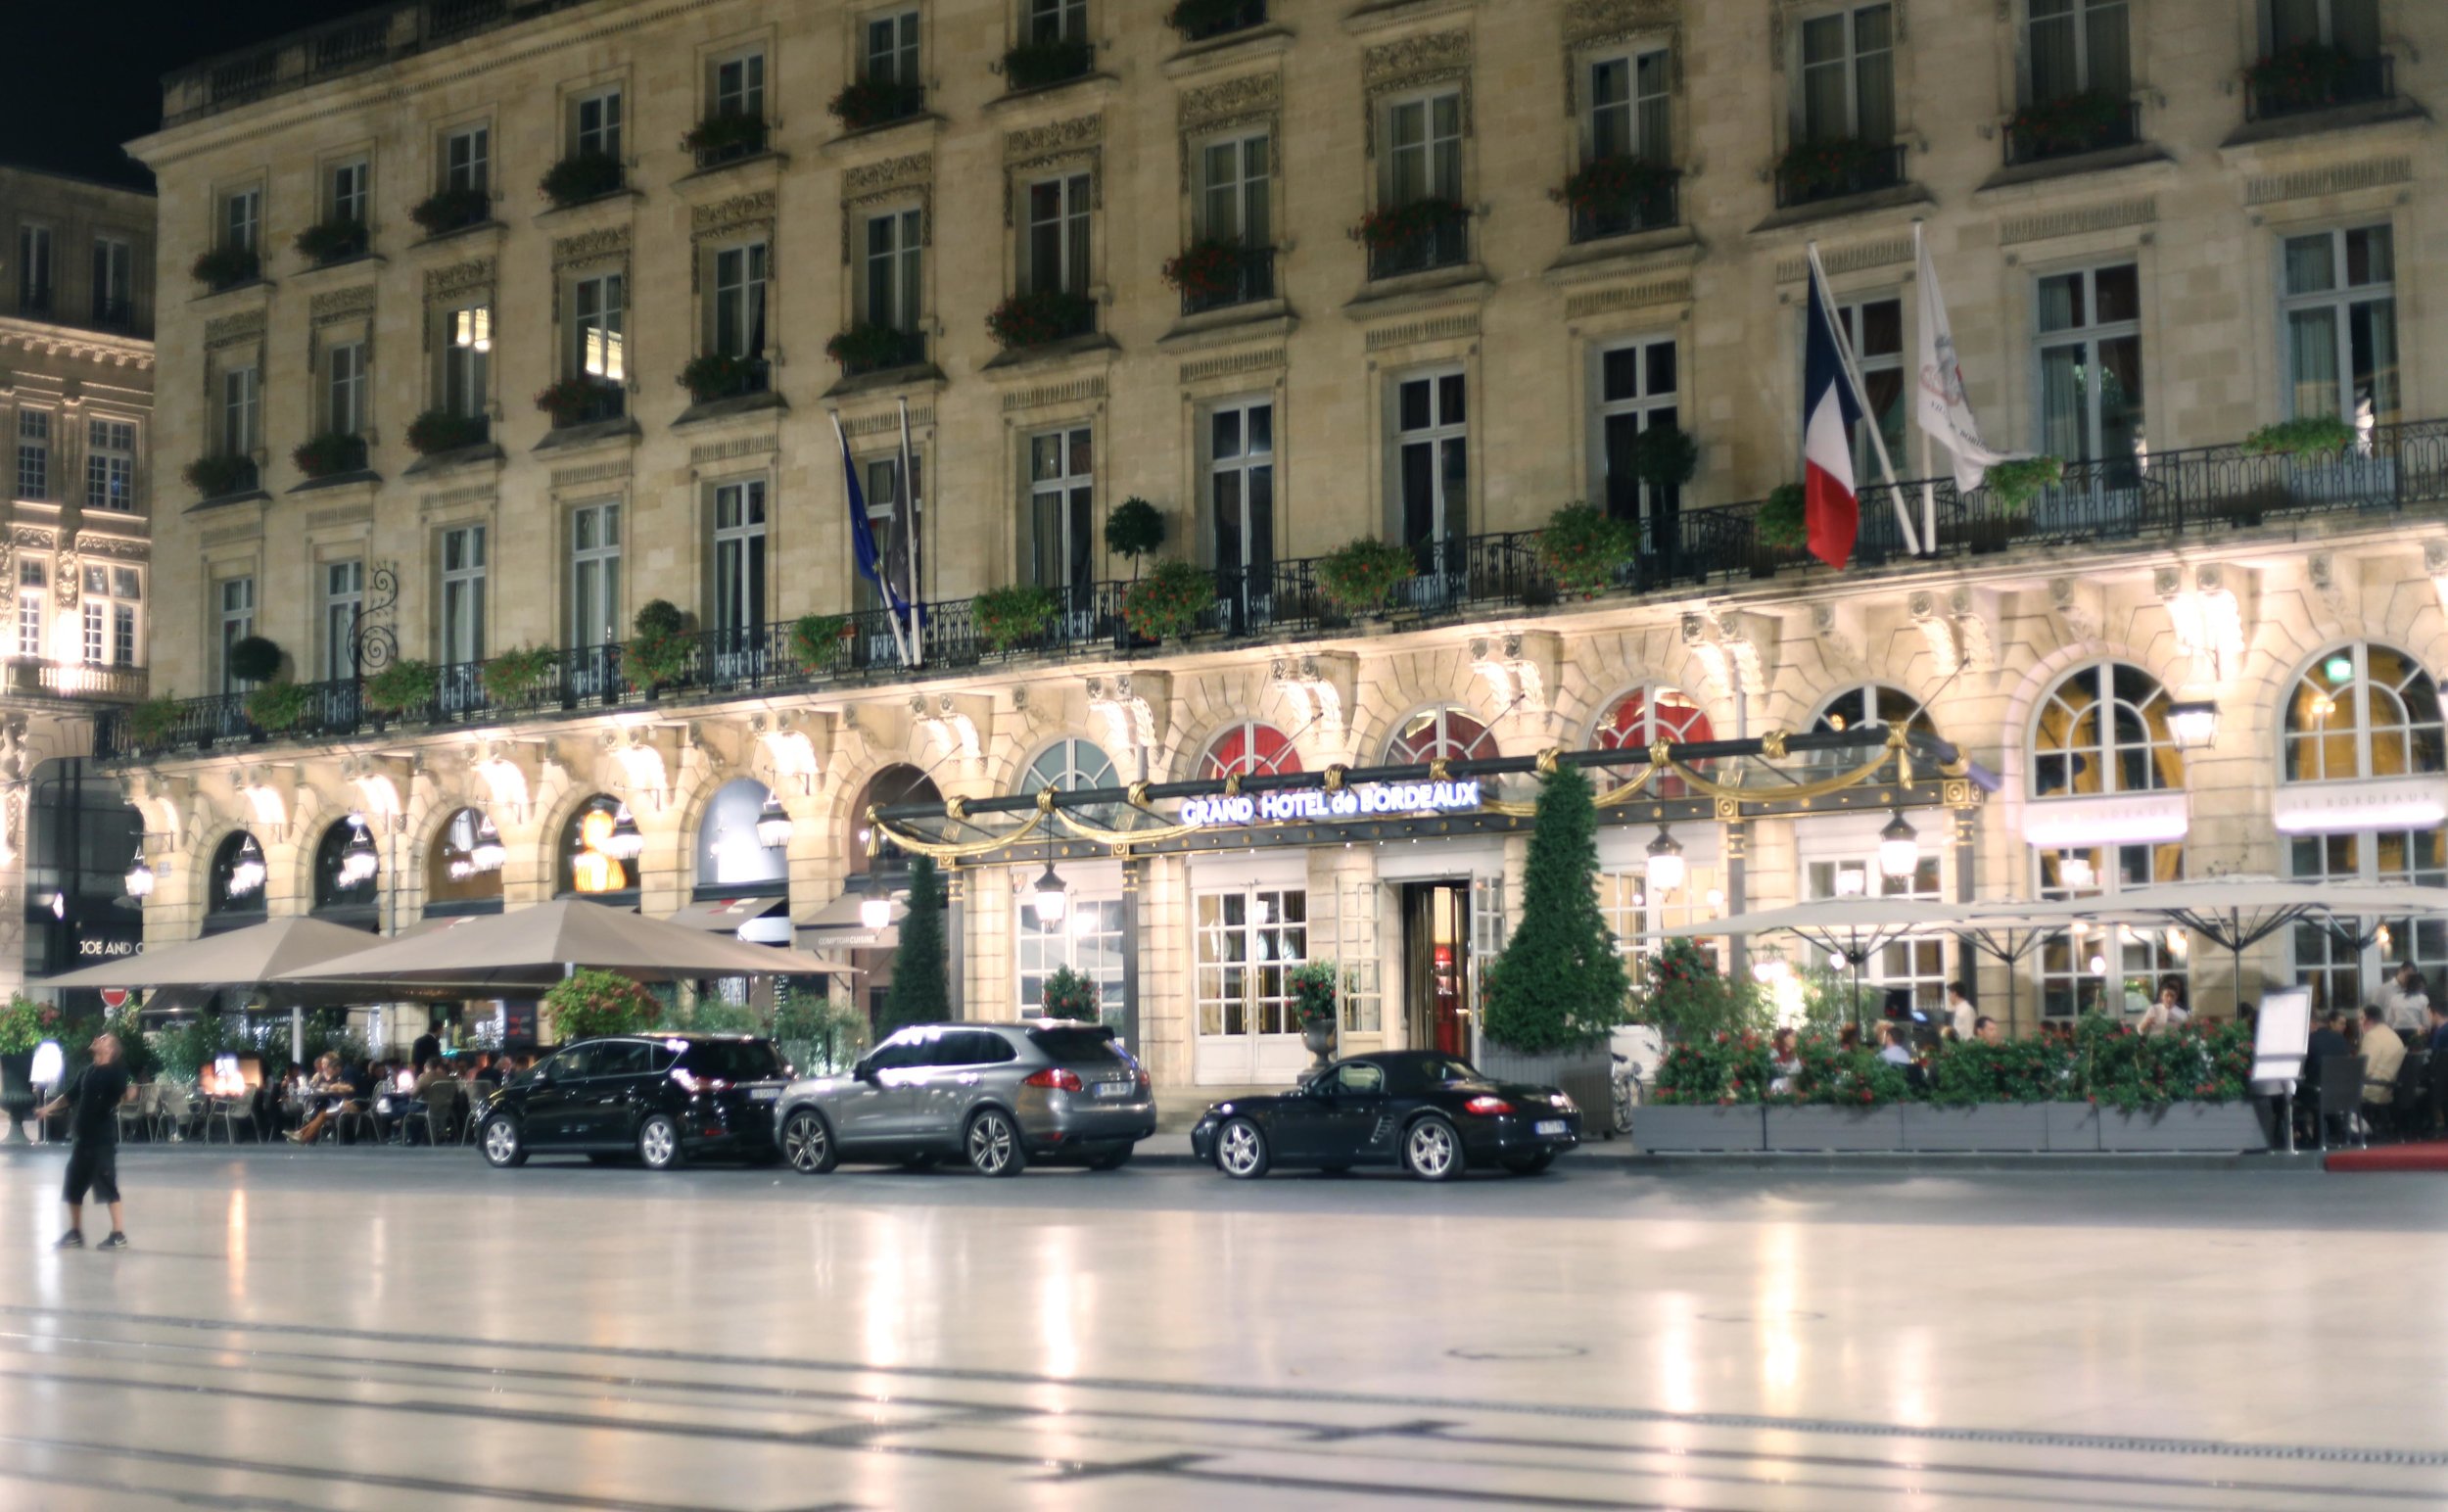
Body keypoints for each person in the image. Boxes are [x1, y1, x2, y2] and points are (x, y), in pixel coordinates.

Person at [36, 1031, 134, 1251]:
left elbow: (122, 1092)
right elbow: (69, 1097)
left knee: (107, 1185)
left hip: (102, 1141)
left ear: (110, 1050)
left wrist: (128, 1095)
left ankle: (118, 1234)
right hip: (82, 1141)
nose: (97, 1039)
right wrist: (47, 1109)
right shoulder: (86, 1072)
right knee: (73, 1186)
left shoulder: (115, 1072)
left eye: (103, 1039)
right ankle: (75, 1232)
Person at [287, 1054, 360, 1145]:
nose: (335, 1074)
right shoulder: (344, 1072)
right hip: (345, 1102)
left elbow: (351, 1088)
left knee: (322, 1113)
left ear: (337, 1068)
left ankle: (303, 1137)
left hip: (356, 1103)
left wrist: (333, 1086)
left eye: (334, 1071)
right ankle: (301, 1135)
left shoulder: (347, 1071)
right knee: (321, 1111)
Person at [2359, 1005, 2405, 1113]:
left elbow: (2364, 1070)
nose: (2359, 1023)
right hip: (2387, 1089)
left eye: (2361, 1019)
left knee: (2333, 1091)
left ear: (2368, 1020)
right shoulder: (2393, 1035)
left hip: (2372, 1090)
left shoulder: (2372, 1036)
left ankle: (2342, 1128)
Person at [2377, 964, 2430, 1038]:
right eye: (2408, 976)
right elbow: (2426, 1022)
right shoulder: (2422, 999)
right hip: (2415, 1032)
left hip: (2396, 1032)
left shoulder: (2395, 998)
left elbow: (2389, 1020)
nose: (2407, 979)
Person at [1767, 1027, 1802, 1097]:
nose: (1795, 1039)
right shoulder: (1773, 1053)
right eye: (1792, 1036)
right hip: (1776, 1089)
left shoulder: (1795, 1057)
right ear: (1784, 1038)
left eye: (1795, 1036)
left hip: (1792, 1092)